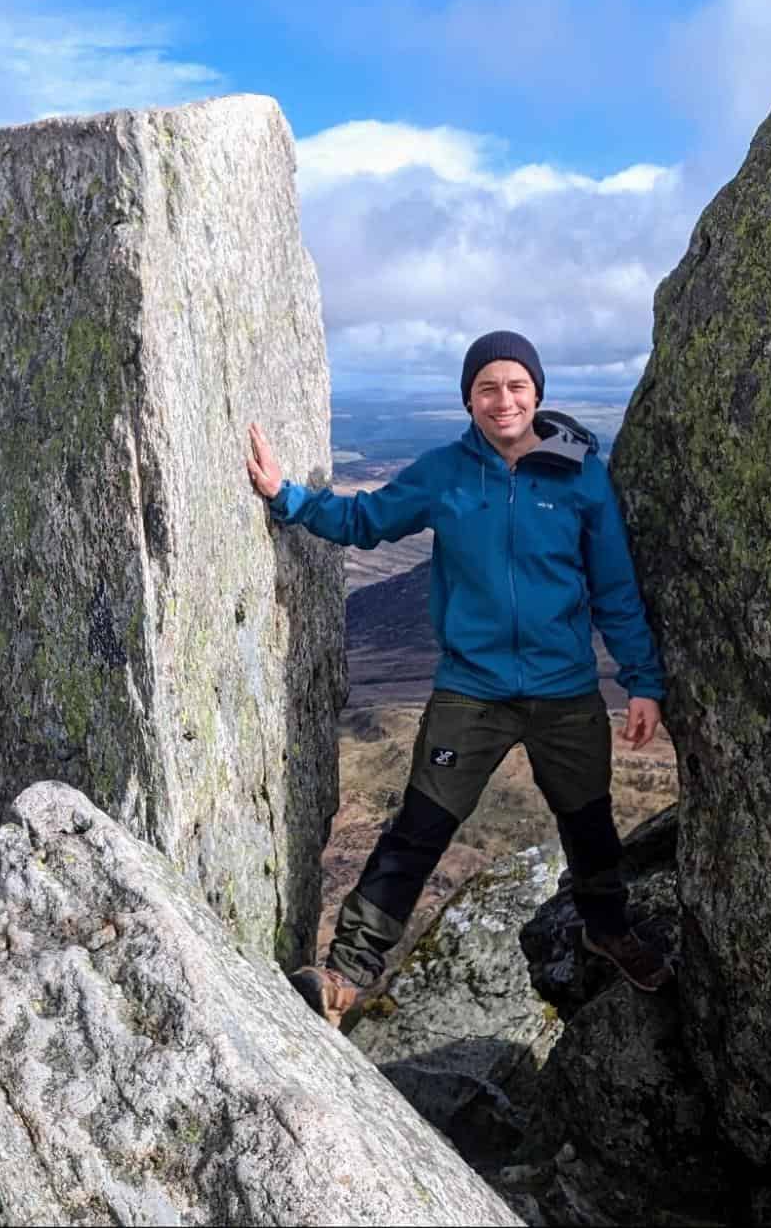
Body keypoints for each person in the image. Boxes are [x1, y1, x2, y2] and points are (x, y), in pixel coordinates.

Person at [246, 329, 671, 1027]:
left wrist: (641, 681)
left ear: (536, 393)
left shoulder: (580, 477)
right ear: (468, 398)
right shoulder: (444, 472)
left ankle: (607, 926)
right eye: (486, 387)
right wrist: (285, 496)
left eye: (515, 386)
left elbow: (615, 587)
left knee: (590, 822)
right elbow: (363, 519)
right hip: (470, 690)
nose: (502, 399)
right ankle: (348, 971)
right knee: (418, 827)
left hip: (564, 689)